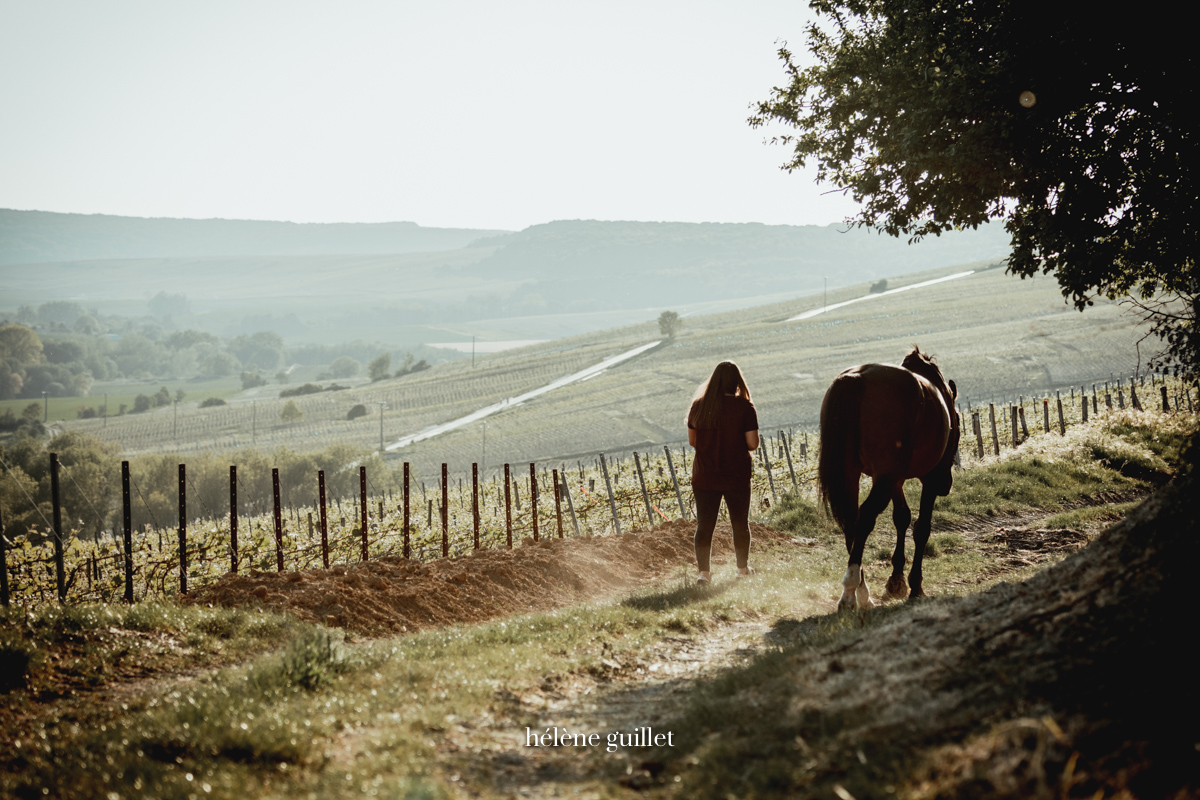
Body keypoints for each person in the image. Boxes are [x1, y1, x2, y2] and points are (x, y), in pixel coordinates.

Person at [686, 361, 760, 583]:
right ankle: (742, 571)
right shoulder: (745, 408)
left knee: (704, 525)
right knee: (739, 523)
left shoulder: (698, 406)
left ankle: (704, 574)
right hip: (736, 475)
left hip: (705, 475)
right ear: (737, 382)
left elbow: (693, 441)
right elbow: (753, 443)